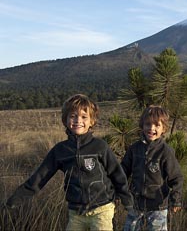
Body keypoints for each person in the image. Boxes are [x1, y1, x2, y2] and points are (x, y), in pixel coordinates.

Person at [5, 94, 133, 230]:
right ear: (65, 120)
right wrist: (16, 198)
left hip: (102, 208)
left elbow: (116, 173)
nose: (78, 120)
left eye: (84, 117)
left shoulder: (100, 146)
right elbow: (40, 177)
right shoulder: (60, 150)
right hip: (76, 211)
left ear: (92, 121)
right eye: (73, 116)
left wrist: (126, 198)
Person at [121, 105, 183, 231]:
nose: (151, 128)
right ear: (142, 125)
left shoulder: (165, 151)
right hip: (136, 203)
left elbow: (176, 177)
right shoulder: (134, 149)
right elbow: (122, 171)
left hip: (158, 206)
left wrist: (175, 200)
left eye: (156, 125)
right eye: (148, 124)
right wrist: (118, 191)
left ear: (163, 128)